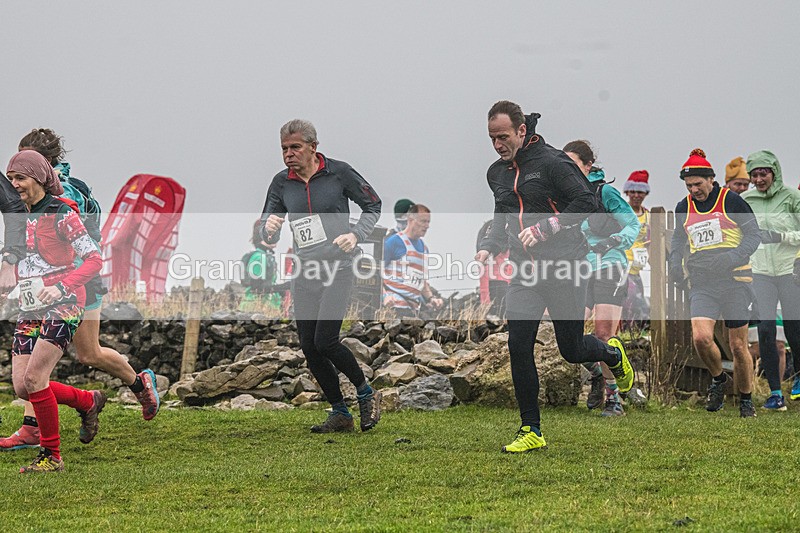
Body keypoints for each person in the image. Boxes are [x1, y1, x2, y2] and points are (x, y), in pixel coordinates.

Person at [476, 101, 634, 453]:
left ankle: (611, 355)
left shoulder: (553, 162)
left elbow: (585, 202)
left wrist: (550, 225)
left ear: (521, 130)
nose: (498, 145)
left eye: (503, 137)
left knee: (572, 349)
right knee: (518, 345)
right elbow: (503, 212)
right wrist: (489, 245)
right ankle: (531, 429)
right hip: (525, 270)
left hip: (565, 265)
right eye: (491, 139)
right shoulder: (496, 173)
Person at [0, 130, 160, 453]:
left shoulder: (67, 195)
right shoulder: (26, 198)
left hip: (79, 282)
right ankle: (36, 427)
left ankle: (139, 384)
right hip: (43, 288)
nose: (16, 181)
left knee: (89, 353)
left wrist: (64, 283)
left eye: (26, 167)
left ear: (43, 167)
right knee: (35, 368)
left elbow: (87, 246)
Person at [261, 119, 383, 433]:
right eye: (284, 149)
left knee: (326, 341)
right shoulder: (280, 183)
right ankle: (340, 413)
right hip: (304, 271)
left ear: (313, 147)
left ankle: (366, 393)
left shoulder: (339, 172)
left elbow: (373, 205)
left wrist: (356, 235)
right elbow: (268, 228)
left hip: (339, 267)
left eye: (295, 148)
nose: (289, 154)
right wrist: (269, 229)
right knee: (309, 346)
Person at [6, 150, 106, 473]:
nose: (14, 185)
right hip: (30, 308)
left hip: (64, 304)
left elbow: (93, 259)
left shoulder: (63, 213)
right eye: (10, 179)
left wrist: (61, 287)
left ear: (37, 177)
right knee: (23, 385)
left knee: (36, 378)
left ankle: (52, 456)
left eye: (19, 178)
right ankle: (87, 401)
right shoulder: (17, 215)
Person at [668, 149, 761, 418]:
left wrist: (732, 257)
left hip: (735, 281)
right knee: (701, 337)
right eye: (689, 186)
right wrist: (675, 263)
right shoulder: (683, 207)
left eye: (698, 184)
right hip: (703, 282)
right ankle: (719, 379)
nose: (694, 190)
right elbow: (678, 239)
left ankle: (746, 399)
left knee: (737, 346)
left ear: (711, 180)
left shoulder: (731, 201)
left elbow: (753, 235)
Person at [563, 140, 640, 417]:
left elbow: (633, 223)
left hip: (611, 266)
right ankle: (597, 373)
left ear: (588, 165)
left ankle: (614, 400)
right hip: (583, 269)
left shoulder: (605, 192)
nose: (569, 170)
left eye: (574, 165)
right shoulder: (568, 197)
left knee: (604, 335)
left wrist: (613, 240)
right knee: (568, 335)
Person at [741, 150, 800, 410]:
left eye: (763, 173)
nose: (758, 179)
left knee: (794, 330)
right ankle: (775, 393)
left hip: (789, 271)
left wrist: (781, 236)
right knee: (765, 329)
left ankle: (798, 378)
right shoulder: (745, 200)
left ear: (774, 172)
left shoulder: (792, 197)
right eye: (754, 174)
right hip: (761, 273)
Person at [382, 204, 443, 316]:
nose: (427, 226)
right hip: (394, 308)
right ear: (410, 220)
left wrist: (431, 298)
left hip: (413, 309)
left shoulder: (424, 249)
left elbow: (422, 282)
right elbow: (376, 273)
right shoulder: (393, 242)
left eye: (428, 222)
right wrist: (385, 296)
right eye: (423, 221)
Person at [621, 170, 651, 328]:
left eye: (640, 192)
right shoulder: (622, 213)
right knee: (633, 298)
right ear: (627, 192)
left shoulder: (647, 216)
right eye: (633, 191)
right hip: (623, 264)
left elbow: (650, 242)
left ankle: (638, 331)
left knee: (641, 297)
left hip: (639, 267)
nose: (636, 196)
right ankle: (629, 329)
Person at [239, 219, 283, 312]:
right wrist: (282, 288)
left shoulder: (265, 256)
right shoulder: (260, 257)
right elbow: (257, 287)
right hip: (256, 308)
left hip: (260, 307)